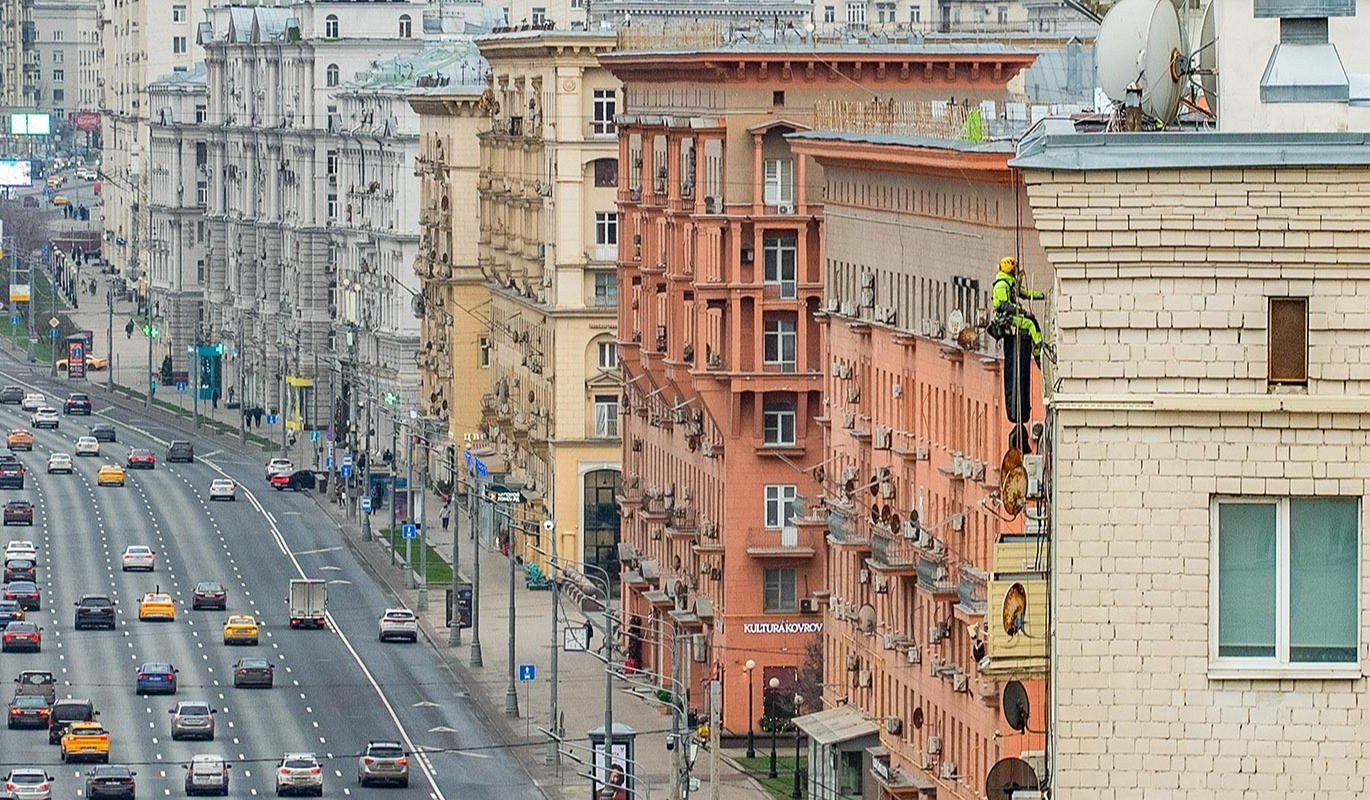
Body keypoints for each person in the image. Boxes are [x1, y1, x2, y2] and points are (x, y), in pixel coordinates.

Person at [990, 256, 1046, 363]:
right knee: (1030, 323)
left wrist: (1041, 295)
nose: (1016, 270)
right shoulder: (1001, 285)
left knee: (1031, 321)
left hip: (1011, 314)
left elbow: (1024, 293)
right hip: (1006, 317)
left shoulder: (1009, 282)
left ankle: (1036, 348)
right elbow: (1006, 305)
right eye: (1014, 268)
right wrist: (1023, 312)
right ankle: (1038, 349)